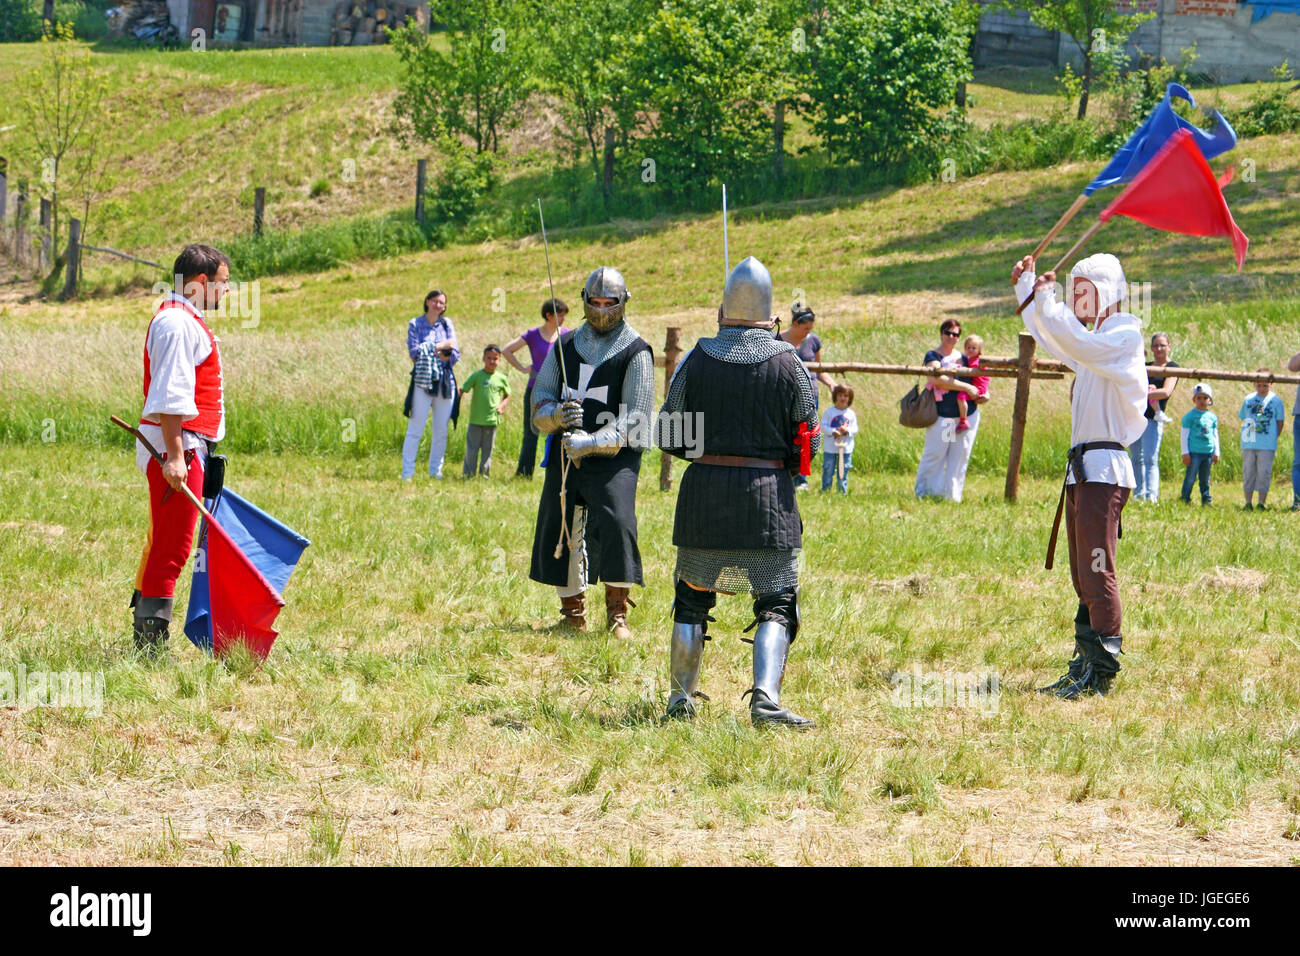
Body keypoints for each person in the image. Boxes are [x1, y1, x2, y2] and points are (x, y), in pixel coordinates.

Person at [657, 256, 820, 728]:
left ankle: (680, 700)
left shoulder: (698, 358)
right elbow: (807, 439)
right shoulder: (790, 363)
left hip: (704, 494)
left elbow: (670, 435)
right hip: (767, 497)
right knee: (777, 598)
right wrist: (783, 468)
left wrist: (710, 455)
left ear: (722, 312)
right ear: (771, 317)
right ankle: (765, 700)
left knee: (691, 596)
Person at [1014, 251, 1146, 699]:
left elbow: (1075, 341)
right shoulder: (1095, 344)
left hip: (1104, 470)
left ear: (1107, 290)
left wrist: (1047, 299)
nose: (1076, 298)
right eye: (1073, 290)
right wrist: (1028, 292)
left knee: (1097, 566)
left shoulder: (1124, 334)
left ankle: (1102, 670)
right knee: (1082, 571)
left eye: (1083, 290)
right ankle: (1085, 661)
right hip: (1085, 470)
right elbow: (1059, 342)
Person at [529, 267, 654, 639]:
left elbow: (636, 418)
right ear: (584, 299)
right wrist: (554, 414)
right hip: (567, 453)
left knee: (617, 523)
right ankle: (572, 613)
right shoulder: (565, 346)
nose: (601, 309)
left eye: (609, 302)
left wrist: (594, 440)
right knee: (560, 522)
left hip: (615, 458)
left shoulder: (635, 350)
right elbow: (541, 399)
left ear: (623, 302)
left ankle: (617, 615)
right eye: (594, 302)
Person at [131, 244, 231, 655]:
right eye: (224, 283)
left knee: (165, 540)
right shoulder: (176, 322)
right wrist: (175, 455)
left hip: (186, 445)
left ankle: (148, 637)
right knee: (172, 546)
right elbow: (170, 395)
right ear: (202, 282)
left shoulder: (185, 319)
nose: (227, 292)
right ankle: (150, 648)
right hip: (179, 447)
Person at [914, 319, 988, 502]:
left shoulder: (965, 358)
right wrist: (966, 388)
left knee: (959, 457)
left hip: (966, 415)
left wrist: (985, 394)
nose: (951, 337)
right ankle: (925, 492)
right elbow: (936, 379)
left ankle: (952, 497)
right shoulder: (933, 355)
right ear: (941, 333)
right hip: (945, 415)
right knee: (937, 454)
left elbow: (980, 379)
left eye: (955, 334)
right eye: (948, 333)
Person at [503, 299, 567, 478]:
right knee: (531, 432)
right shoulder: (533, 334)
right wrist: (523, 368)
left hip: (559, 391)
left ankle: (557, 472)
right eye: (560, 314)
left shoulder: (566, 335)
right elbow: (507, 350)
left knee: (559, 433)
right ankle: (524, 473)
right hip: (535, 390)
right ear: (549, 315)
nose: (563, 318)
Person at [402, 290, 459, 480]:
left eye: (442, 302)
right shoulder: (415, 323)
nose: (438, 305)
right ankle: (407, 473)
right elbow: (415, 353)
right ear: (427, 302)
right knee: (415, 427)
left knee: (441, 430)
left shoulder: (447, 323)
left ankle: (436, 471)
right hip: (423, 381)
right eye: (435, 301)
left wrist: (434, 349)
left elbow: (454, 354)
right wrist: (441, 347)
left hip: (444, 380)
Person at [779, 304, 835, 490]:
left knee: (806, 436)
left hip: (810, 396)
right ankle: (784, 471)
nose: (807, 333)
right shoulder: (778, 340)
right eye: (805, 329)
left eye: (810, 329)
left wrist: (832, 384)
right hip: (785, 397)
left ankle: (801, 478)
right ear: (795, 323)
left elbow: (819, 369)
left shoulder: (813, 341)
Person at [1129, 332, 1180, 503]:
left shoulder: (1172, 367)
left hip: (1153, 418)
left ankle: (1151, 495)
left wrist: (1144, 392)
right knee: (1136, 457)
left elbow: (1165, 392)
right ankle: (1138, 493)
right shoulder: (1145, 366)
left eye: (1162, 345)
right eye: (1156, 345)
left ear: (1169, 346)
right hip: (1136, 417)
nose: (1159, 348)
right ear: (1151, 348)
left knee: (1150, 458)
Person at [459, 345, 511, 478]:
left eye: (495, 359)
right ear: (483, 358)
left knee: (487, 450)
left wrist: (502, 406)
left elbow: (507, 394)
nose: (492, 361)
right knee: (472, 449)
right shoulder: (476, 376)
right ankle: (468, 474)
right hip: (476, 420)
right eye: (489, 358)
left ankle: (484, 475)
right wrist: (455, 402)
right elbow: (463, 389)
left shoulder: (501, 378)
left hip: (491, 420)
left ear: (499, 360)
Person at [1239, 369, 1284, 510]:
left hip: (1267, 443)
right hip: (1249, 442)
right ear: (1254, 383)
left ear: (1271, 384)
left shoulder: (1276, 401)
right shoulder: (1248, 399)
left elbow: (1280, 422)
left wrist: (1273, 436)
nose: (1261, 388)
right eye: (1259, 385)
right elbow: (1244, 417)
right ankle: (1248, 502)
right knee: (1248, 471)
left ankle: (1261, 503)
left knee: (1264, 472)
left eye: (1265, 385)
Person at [1180, 383, 1220, 505]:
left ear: (1210, 400)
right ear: (1194, 400)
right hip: (1194, 452)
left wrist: (1216, 452)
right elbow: (1184, 435)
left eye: (1205, 398)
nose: (1202, 401)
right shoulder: (1189, 417)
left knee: (1205, 478)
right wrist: (1185, 453)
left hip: (1207, 452)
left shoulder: (1212, 417)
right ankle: (1185, 497)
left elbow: (1214, 435)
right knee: (1191, 477)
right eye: (1199, 398)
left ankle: (1206, 498)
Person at [820, 384, 858, 493]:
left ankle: (842, 490)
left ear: (849, 398)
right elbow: (823, 426)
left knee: (843, 469)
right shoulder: (829, 412)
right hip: (830, 448)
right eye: (840, 395)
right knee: (828, 469)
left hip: (846, 448)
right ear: (835, 396)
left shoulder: (851, 414)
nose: (842, 398)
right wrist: (833, 431)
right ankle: (825, 490)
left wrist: (847, 431)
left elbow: (855, 428)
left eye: (846, 396)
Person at [955, 334, 989, 434]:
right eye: (968, 347)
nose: (970, 350)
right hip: (977, 386)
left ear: (979, 350)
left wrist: (959, 368)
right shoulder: (970, 360)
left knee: (961, 396)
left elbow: (971, 370)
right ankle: (963, 419)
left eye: (974, 348)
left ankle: (963, 420)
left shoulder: (977, 361)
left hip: (979, 387)